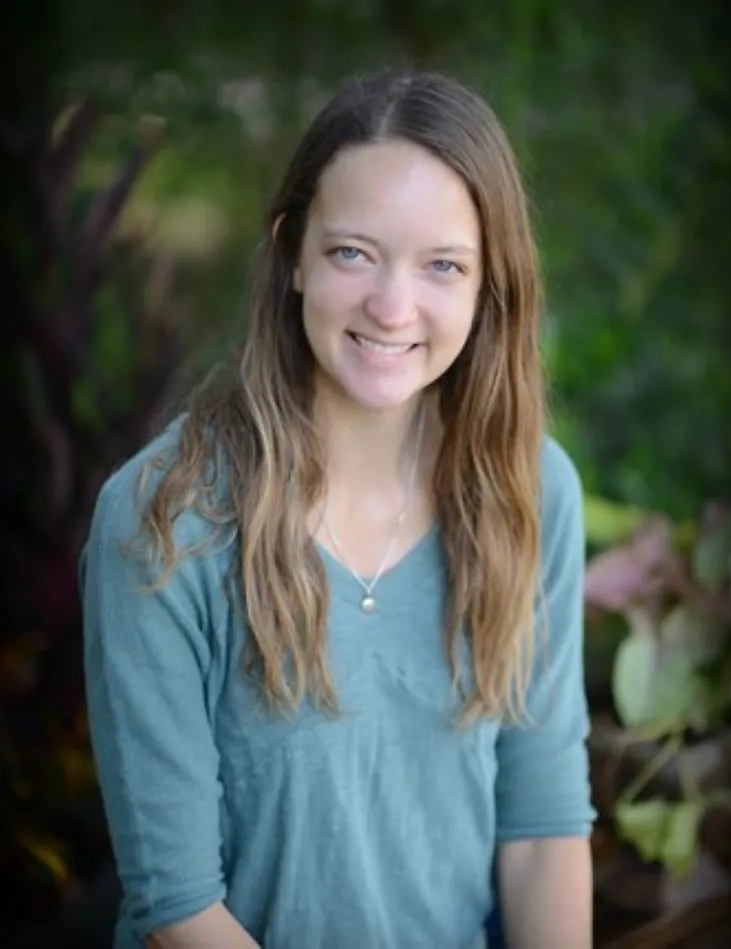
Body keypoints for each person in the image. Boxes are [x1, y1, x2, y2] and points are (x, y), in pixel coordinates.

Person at [80, 67, 596, 949]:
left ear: (487, 286)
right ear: (290, 253)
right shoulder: (164, 521)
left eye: (443, 265)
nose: (393, 307)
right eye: (353, 252)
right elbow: (178, 909)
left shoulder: (530, 491)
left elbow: (543, 831)